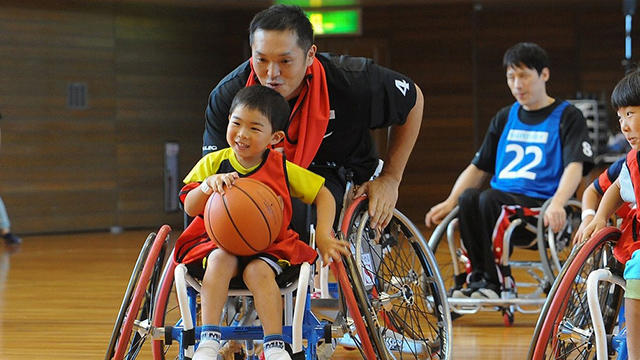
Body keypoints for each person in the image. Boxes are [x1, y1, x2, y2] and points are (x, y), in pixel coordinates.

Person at [203, 4, 423, 231]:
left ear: (310, 55)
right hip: (262, 183)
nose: (271, 74)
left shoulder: (352, 81)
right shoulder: (228, 95)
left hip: (346, 176)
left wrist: (391, 179)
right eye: (261, 60)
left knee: (309, 210)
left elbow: (413, 100)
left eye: (284, 61)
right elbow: (215, 173)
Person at [175, 85, 350, 360]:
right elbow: (189, 205)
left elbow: (324, 195)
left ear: (275, 137)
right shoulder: (212, 163)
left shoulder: (281, 168)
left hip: (268, 247)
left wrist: (325, 234)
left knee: (259, 272)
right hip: (220, 244)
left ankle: (274, 345)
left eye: (255, 128)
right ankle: (209, 339)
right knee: (219, 260)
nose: (242, 134)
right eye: (236, 123)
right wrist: (207, 186)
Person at [425, 42, 594, 299]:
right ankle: (477, 279)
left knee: (489, 199)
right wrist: (450, 201)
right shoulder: (505, 117)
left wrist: (559, 203)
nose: (517, 84)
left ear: (544, 75)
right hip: (498, 203)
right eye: (511, 77)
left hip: (540, 206)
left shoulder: (568, 116)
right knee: (468, 198)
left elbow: (575, 166)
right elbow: (478, 167)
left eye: (524, 75)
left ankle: (495, 283)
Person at [579, 70, 640, 359]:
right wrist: (598, 216)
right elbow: (608, 189)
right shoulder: (629, 162)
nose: (625, 126)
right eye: (620, 118)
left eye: (631, 114)